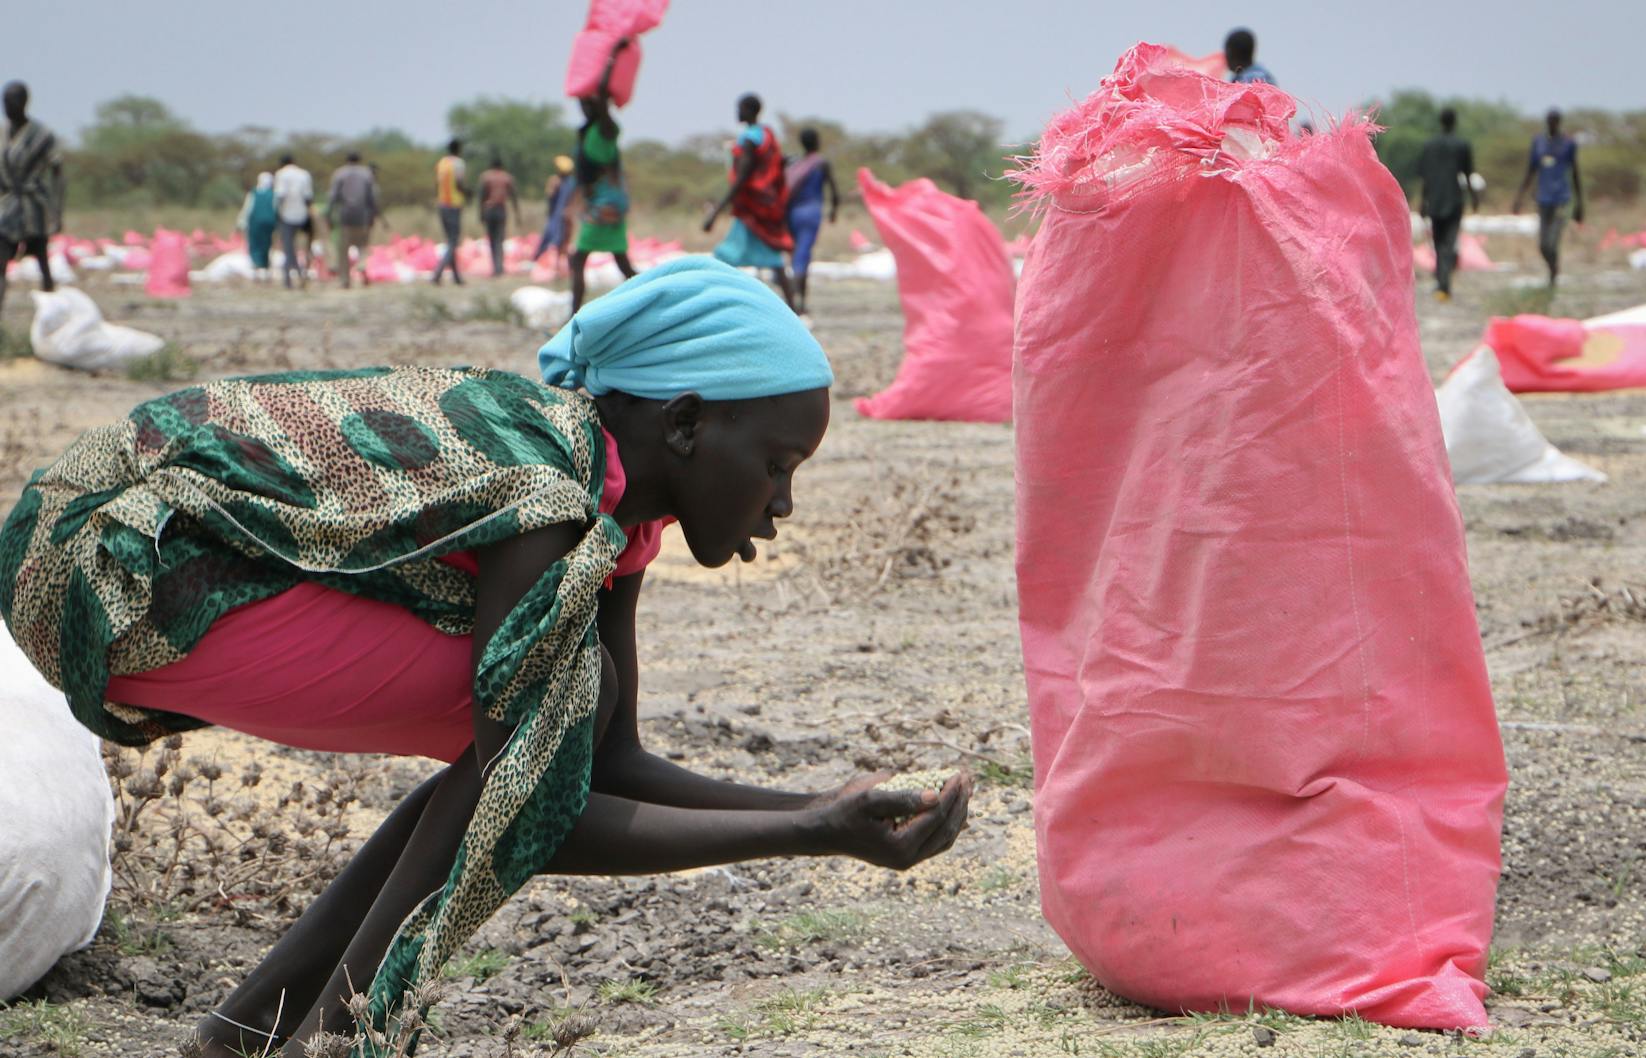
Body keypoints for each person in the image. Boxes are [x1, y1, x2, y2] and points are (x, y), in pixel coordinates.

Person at [0, 255, 974, 1056]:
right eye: (776, 466)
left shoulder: (617, 515)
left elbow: (607, 765)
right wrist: (808, 830)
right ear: (684, 424)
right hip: (105, 567)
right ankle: (335, 1038)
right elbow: (534, 808)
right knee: (544, 722)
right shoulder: (546, 492)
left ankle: (243, 1035)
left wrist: (826, 808)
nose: (783, 503)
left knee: (547, 719)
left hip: (147, 565)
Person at [704, 93, 795, 310]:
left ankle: (719, 305)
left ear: (749, 110)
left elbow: (742, 177)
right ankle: (793, 309)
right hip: (764, 205)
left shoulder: (749, 139)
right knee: (771, 260)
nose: (737, 112)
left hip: (751, 209)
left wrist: (716, 211)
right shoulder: (766, 135)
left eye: (740, 108)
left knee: (725, 256)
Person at [571, 39, 638, 310]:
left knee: (579, 259)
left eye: (587, 103)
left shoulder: (607, 128)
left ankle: (573, 316)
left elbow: (601, 92)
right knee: (621, 262)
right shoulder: (590, 131)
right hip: (604, 201)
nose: (583, 106)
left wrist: (612, 55)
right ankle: (652, 299)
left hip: (606, 203)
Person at [0, 81, 64, 316]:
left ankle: (52, 313)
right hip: (7, 206)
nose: (8, 107)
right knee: (1, 260)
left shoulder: (41, 135)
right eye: (5, 101)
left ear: (24, 103)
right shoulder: (2, 134)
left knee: (41, 261)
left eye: (12, 102)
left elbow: (58, 173)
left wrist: (57, 211)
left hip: (34, 206)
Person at [1511, 108, 1584, 288]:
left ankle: (1553, 273)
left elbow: (1575, 173)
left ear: (1558, 122)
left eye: (1554, 121)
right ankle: (1553, 268)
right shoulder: (1538, 143)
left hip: (1562, 199)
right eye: (1549, 121)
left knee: (1552, 241)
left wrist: (1580, 203)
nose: (1551, 124)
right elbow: (1531, 171)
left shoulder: (1568, 144)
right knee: (1543, 245)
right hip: (1543, 199)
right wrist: (1519, 197)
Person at [1417, 107, 1479, 302]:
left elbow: (1426, 177)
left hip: (1435, 199)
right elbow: (1468, 175)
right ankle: (1444, 281)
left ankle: (1442, 281)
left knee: (1439, 242)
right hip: (1454, 199)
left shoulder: (1429, 146)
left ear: (1441, 121)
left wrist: (1423, 202)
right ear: (1454, 122)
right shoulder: (1462, 145)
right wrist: (1474, 197)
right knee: (1449, 243)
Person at [783, 127, 840, 319]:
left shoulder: (796, 165)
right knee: (802, 258)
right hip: (811, 214)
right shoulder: (821, 164)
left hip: (791, 214)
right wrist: (833, 211)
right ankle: (797, 304)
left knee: (796, 256)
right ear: (817, 141)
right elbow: (834, 191)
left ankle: (797, 303)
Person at [327, 151, 380, 289]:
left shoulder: (339, 173)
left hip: (345, 215)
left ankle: (345, 280)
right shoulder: (367, 174)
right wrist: (373, 215)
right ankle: (362, 265)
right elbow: (372, 197)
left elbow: (333, 197)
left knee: (343, 249)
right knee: (362, 245)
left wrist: (329, 214)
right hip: (363, 215)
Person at [272, 153, 315, 289]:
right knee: (305, 247)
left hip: (287, 215)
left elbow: (280, 195)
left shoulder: (281, 174)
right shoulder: (304, 174)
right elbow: (308, 197)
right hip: (303, 215)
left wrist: (277, 213)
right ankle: (301, 273)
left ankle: (289, 279)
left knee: (288, 247)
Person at [476, 154, 522, 278]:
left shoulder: (486, 177)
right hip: (501, 209)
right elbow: (514, 197)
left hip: (489, 209)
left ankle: (495, 268)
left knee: (492, 240)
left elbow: (481, 196)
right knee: (499, 239)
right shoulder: (507, 177)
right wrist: (517, 214)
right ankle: (499, 268)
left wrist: (480, 213)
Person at [432, 138, 470, 286]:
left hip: (442, 204)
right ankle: (438, 273)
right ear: (458, 149)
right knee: (453, 241)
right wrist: (468, 193)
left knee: (450, 241)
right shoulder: (458, 163)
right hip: (453, 205)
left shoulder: (441, 163)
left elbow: (437, 184)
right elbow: (459, 183)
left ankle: (456, 277)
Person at [533, 154, 577, 275]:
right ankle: (563, 266)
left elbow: (550, 196)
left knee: (558, 242)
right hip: (564, 215)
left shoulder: (560, 182)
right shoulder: (570, 182)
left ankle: (559, 265)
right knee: (560, 242)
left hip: (559, 216)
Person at [235, 172, 276, 283]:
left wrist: (240, 223)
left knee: (255, 246)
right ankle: (266, 272)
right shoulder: (273, 194)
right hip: (269, 224)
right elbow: (276, 209)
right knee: (266, 246)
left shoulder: (253, 194)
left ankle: (256, 272)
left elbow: (247, 209)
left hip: (255, 224)